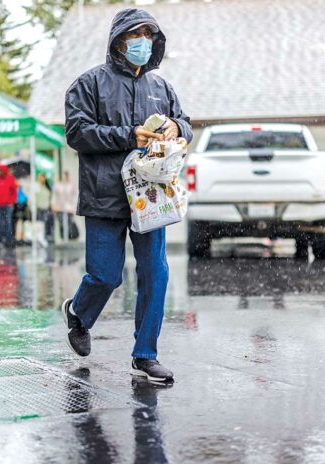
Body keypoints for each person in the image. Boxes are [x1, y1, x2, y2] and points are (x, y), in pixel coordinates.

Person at [62, 8, 193, 382]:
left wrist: (176, 126)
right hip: (105, 195)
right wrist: (127, 135)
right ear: (118, 40)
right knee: (106, 275)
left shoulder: (162, 88)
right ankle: (79, 314)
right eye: (135, 34)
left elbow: (186, 124)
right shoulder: (88, 84)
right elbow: (77, 133)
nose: (142, 42)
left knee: (156, 273)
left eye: (149, 34)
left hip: (151, 198)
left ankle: (145, 354)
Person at [51, 171, 78, 241]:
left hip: (69, 208)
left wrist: (74, 207)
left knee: (68, 223)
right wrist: (53, 205)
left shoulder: (71, 185)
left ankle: (69, 237)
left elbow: (75, 197)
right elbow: (54, 196)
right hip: (59, 208)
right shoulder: (57, 185)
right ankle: (64, 237)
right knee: (62, 223)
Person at [36, 172, 54, 246]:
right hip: (39, 208)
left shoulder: (47, 187)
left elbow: (50, 197)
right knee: (40, 224)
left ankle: (45, 237)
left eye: (42, 177)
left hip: (46, 208)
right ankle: (40, 238)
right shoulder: (37, 187)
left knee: (46, 223)